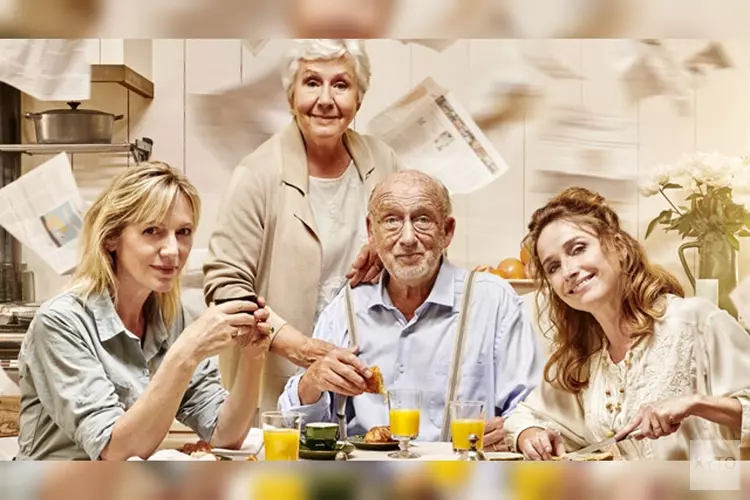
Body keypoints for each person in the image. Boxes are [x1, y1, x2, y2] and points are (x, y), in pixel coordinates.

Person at [16, 162, 271, 460]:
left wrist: (253, 357)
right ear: (112, 237)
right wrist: (185, 354)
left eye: (184, 232)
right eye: (152, 231)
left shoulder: (172, 319)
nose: (173, 251)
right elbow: (115, 451)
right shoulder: (61, 323)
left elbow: (224, 434)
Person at [203, 39, 404, 414]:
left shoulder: (384, 161)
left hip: (364, 382)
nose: (326, 99)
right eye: (312, 82)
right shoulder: (257, 173)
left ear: (358, 98)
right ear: (291, 95)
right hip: (278, 383)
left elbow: (417, 246)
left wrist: (387, 251)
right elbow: (226, 287)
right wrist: (297, 346)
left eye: (341, 85)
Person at [278, 170, 542, 449]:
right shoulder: (345, 307)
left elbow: (532, 411)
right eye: (391, 220)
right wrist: (312, 382)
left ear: (447, 231)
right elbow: (294, 429)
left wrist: (517, 431)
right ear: (371, 231)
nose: (407, 238)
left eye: (423, 220)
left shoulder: (493, 301)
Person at [504, 187, 750, 460]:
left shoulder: (697, 321)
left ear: (618, 246)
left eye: (578, 249)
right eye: (553, 267)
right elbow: (526, 416)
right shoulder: (584, 356)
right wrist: (530, 434)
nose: (569, 270)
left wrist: (695, 404)